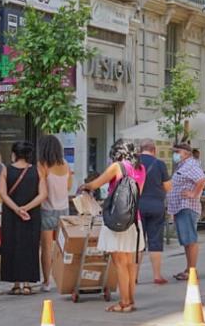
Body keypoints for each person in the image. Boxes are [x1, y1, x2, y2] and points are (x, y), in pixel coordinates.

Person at [81, 140, 145, 313]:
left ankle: (123, 302)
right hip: (134, 219)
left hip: (117, 219)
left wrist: (85, 187)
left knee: (119, 262)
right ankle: (130, 300)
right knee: (130, 263)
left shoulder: (117, 166)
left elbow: (95, 184)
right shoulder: (141, 169)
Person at [0, 141, 46, 295]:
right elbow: (43, 194)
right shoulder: (37, 171)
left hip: (11, 215)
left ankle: (15, 283)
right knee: (30, 247)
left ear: (14, 154)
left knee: (12, 246)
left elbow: (3, 194)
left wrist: (17, 209)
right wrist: (26, 208)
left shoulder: (6, 170)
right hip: (31, 215)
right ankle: (27, 283)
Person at [37, 134, 72, 293]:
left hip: (47, 210)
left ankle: (46, 281)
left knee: (46, 248)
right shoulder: (65, 164)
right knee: (61, 247)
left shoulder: (42, 165)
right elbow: (69, 187)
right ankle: (62, 277)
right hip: (64, 210)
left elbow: (40, 188)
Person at [166, 142, 205, 283]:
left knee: (190, 240)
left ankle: (192, 270)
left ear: (186, 153)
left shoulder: (190, 165)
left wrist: (193, 193)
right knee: (186, 241)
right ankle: (189, 268)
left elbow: (201, 179)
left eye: (177, 151)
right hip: (180, 207)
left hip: (187, 206)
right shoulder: (183, 165)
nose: (175, 154)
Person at [137, 141, 171, 285]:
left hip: (138, 206)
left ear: (140, 150)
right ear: (154, 150)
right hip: (156, 206)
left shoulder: (135, 164)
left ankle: (134, 276)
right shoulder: (159, 164)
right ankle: (157, 275)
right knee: (155, 241)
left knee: (137, 243)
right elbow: (168, 187)